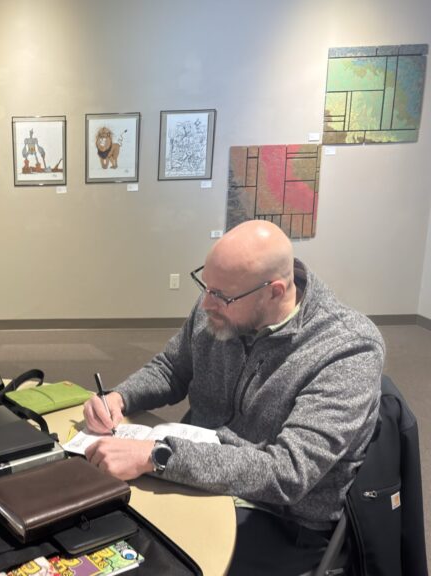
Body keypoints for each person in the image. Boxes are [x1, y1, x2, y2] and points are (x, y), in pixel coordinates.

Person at [83, 220, 384, 575]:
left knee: (148, 565)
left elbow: (288, 472)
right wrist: (120, 397)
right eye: (205, 286)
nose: (207, 303)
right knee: (96, 523)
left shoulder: (347, 347)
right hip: (196, 474)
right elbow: (172, 368)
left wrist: (158, 457)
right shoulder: (221, 301)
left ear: (274, 291)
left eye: (221, 296)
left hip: (281, 518)